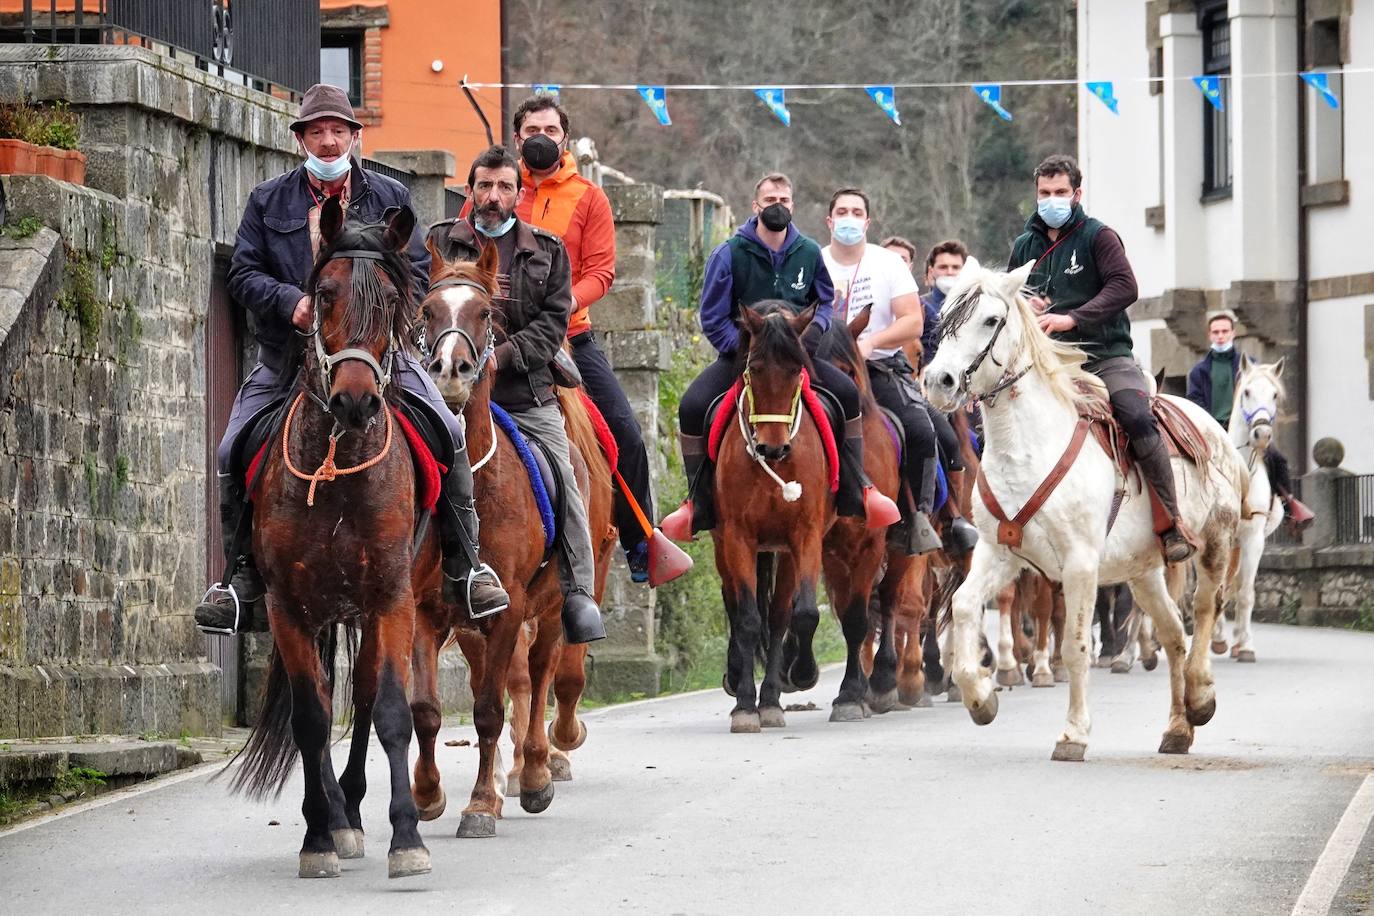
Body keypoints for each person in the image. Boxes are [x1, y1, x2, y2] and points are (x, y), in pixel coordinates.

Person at [194, 84, 508, 634]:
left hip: (377, 357)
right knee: (231, 446)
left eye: (338, 130)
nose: (328, 141)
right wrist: (291, 303)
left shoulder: (391, 196)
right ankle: (239, 577)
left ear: (354, 137)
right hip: (288, 358)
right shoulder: (268, 200)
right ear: (301, 139)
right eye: (317, 131)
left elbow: (418, 273)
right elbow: (242, 272)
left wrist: (382, 312)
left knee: (451, 432)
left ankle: (466, 567)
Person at [427, 145, 606, 644]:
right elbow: (417, 309)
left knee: (566, 472)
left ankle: (578, 591)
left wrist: (498, 358)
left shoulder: (547, 251)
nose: (494, 196)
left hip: (523, 394)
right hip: (445, 392)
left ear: (518, 194)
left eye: (505, 187)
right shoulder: (439, 242)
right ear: (469, 191)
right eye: (484, 186)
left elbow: (552, 326)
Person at [662, 173, 898, 538]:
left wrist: (811, 338)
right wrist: (744, 350)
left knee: (848, 394)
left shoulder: (808, 252)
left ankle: (856, 489)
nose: (777, 206)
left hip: (795, 357)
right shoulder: (728, 254)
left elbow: (824, 303)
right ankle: (698, 501)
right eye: (770, 200)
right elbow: (711, 315)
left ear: (793, 206)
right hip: (744, 358)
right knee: (692, 405)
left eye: (784, 200)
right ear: (756, 205)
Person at [497, 95, 658, 582]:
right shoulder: (497, 188)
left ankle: (639, 541)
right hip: (499, 341)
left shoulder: (589, 197)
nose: (541, 138)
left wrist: (558, 306)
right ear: (517, 138)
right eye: (532, 131)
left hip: (569, 339)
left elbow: (601, 272)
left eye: (550, 130)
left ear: (564, 138)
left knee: (626, 433)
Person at [1009, 153, 1193, 563]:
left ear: (1077, 193)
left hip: (1104, 354)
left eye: (1060, 192)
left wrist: (1072, 317)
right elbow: (1009, 298)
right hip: (1045, 361)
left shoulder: (1099, 236)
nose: (1051, 200)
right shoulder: (1024, 246)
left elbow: (1125, 287)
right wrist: (1027, 304)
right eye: (1044, 193)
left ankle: (1170, 522)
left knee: (1136, 414)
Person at [823, 191, 974, 554]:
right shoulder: (814, 261)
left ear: (867, 222)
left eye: (856, 212)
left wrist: (871, 343)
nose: (848, 218)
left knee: (922, 430)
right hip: (822, 369)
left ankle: (917, 518)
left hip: (879, 368)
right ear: (829, 221)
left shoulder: (887, 263)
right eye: (841, 212)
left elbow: (912, 321)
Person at [1186, 310, 1311, 527]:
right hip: (1212, 429)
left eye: (1225, 331)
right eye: (1216, 332)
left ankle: (1288, 504)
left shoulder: (1250, 365)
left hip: (1246, 427)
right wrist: (1213, 424)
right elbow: (1195, 401)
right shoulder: (1199, 371)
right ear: (1209, 335)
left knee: (1277, 459)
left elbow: (1262, 394)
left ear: (1233, 333)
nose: (1220, 336)